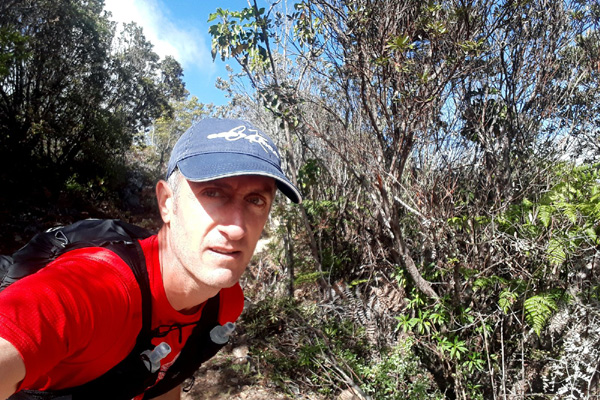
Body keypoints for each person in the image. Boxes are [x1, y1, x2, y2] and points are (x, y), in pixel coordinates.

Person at [0, 118, 301, 400]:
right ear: (167, 203)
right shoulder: (96, 288)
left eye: (256, 200)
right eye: (213, 193)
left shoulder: (225, 303)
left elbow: (164, 378)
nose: (237, 228)